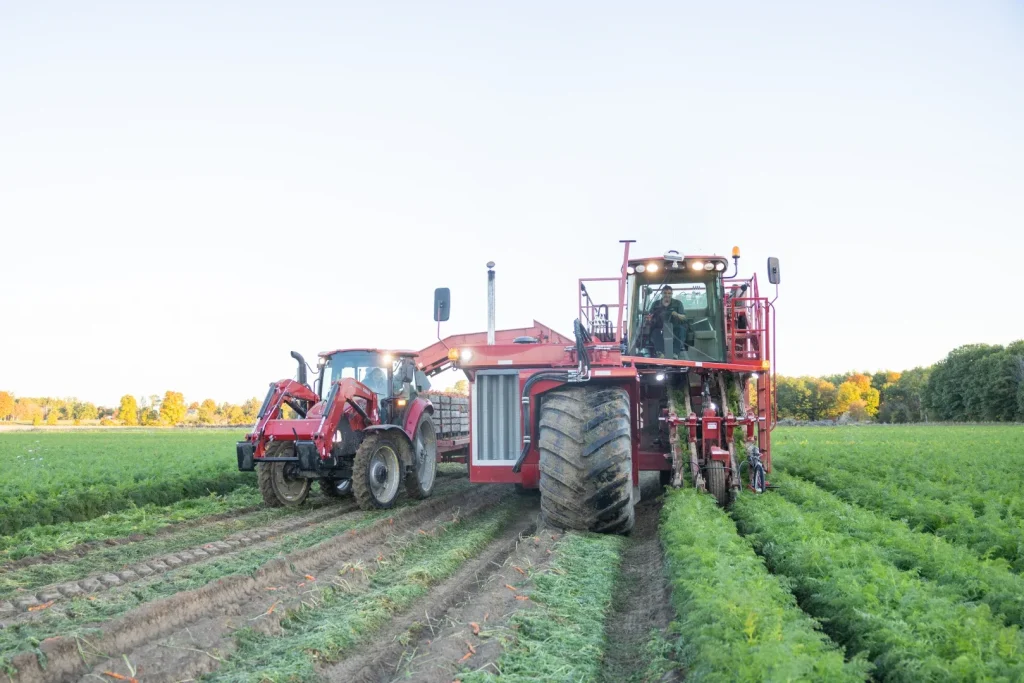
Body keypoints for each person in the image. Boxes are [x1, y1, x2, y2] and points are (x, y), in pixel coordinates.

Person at [646, 286, 688, 358]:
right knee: (655, 332)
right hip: (659, 328)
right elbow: (650, 317)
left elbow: (684, 317)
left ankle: (675, 353)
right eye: (665, 293)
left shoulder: (678, 303)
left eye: (669, 293)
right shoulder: (655, 304)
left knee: (681, 330)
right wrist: (649, 319)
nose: (667, 295)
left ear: (672, 294)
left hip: (675, 328)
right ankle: (660, 353)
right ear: (661, 294)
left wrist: (676, 314)